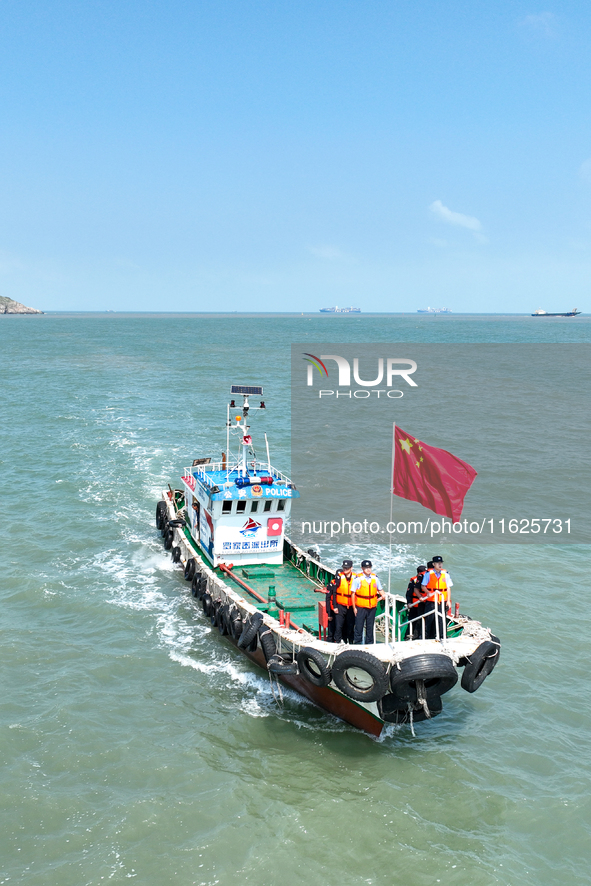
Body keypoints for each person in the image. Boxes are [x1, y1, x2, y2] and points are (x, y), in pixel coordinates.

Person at [352, 560, 385, 645]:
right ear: (362, 568)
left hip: (372, 607)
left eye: (369, 567)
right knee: (359, 626)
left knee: (370, 627)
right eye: (366, 568)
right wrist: (354, 607)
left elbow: (380, 590)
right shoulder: (358, 579)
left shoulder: (375, 578)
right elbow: (353, 593)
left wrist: (381, 597)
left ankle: (369, 644)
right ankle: (357, 643)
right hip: (361, 607)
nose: (368, 569)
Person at [421, 555, 451, 640]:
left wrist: (448, 601)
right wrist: (428, 593)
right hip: (431, 600)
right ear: (433, 564)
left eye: (441, 563)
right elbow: (423, 586)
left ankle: (442, 637)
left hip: (442, 601)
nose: (440, 565)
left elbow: (448, 588)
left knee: (442, 620)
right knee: (429, 620)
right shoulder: (428, 574)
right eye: (438, 563)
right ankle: (426, 637)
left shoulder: (445, 574)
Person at [332, 559, 357, 643]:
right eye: (344, 568)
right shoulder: (339, 577)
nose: (345, 569)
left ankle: (350, 642)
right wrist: (335, 606)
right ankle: (338, 642)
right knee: (339, 625)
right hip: (340, 605)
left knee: (350, 625)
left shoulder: (356, 577)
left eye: (347, 568)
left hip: (351, 606)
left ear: (351, 568)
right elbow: (334, 593)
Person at [405, 565, 427, 639]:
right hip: (414, 606)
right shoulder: (413, 581)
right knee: (412, 622)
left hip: (424, 605)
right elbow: (408, 594)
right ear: (419, 573)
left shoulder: (427, 579)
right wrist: (409, 603)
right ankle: (408, 637)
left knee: (422, 623)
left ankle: (420, 637)